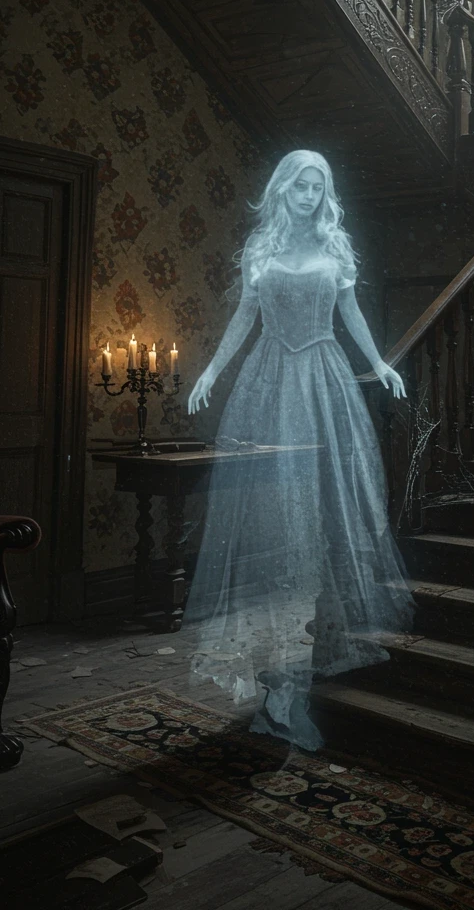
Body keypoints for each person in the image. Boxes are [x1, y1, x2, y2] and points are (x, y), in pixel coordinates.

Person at [183, 150, 414, 751]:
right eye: (302, 185)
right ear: (283, 188)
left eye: (319, 187)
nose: (310, 195)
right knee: (270, 527)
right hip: (265, 386)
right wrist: (211, 371)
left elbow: (350, 313)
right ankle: (273, 689)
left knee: (313, 527)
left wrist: (379, 362)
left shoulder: (335, 248)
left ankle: (294, 690)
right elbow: (245, 316)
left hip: (323, 386)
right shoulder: (259, 250)